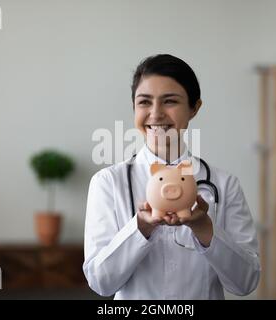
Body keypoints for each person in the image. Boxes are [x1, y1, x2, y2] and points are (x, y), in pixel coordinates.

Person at [83, 54, 260, 299]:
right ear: (133, 106)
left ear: (194, 108)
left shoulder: (224, 185)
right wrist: (141, 227)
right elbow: (100, 282)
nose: (155, 114)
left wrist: (204, 228)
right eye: (144, 102)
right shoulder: (108, 182)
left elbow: (246, 282)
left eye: (170, 101)